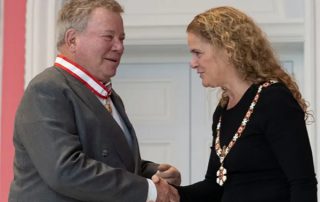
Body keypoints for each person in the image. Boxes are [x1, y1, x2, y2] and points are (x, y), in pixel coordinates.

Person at [9, 0, 180, 201]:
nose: (119, 47)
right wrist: (149, 190)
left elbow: (106, 157)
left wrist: (152, 172)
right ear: (72, 40)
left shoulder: (110, 97)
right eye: (109, 37)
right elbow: (65, 171)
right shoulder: (47, 89)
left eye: (122, 38)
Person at [176, 6, 317, 202]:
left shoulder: (273, 100)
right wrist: (168, 192)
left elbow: (303, 184)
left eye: (198, 53)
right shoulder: (222, 110)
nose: (193, 63)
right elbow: (214, 187)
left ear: (226, 49)